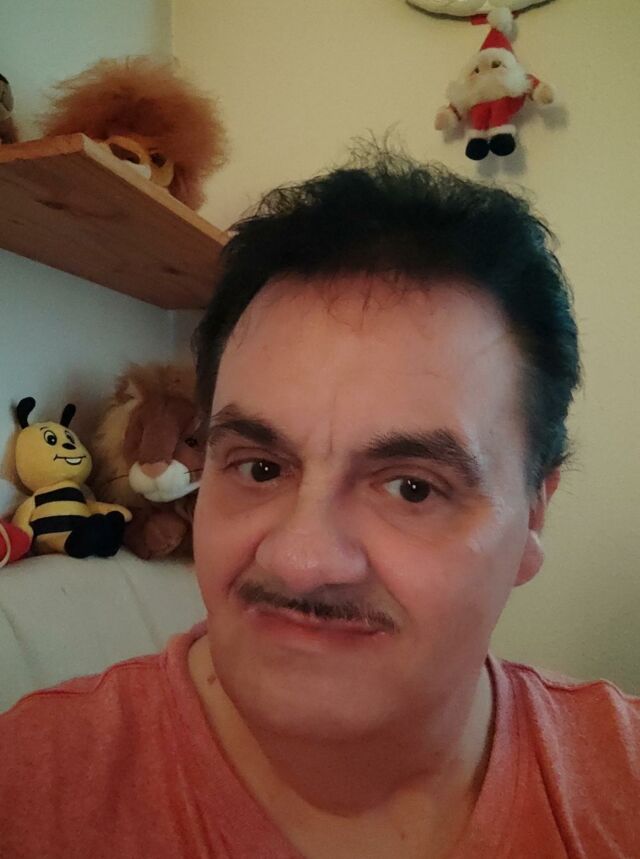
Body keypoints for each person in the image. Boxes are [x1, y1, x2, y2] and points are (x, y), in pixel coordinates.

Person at [1, 148, 638, 859]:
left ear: (535, 515)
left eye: (413, 487)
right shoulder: (31, 789)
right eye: (260, 467)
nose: (300, 561)